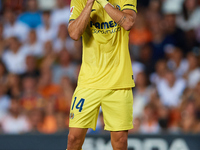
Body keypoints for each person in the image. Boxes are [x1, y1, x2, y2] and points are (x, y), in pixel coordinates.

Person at [67, 0, 137, 149]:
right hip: (89, 82)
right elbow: (74, 33)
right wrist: (89, 4)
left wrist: (103, 1)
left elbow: (128, 23)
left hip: (119, 82)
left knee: (120, 141)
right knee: (73, 139)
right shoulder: (80, 1)